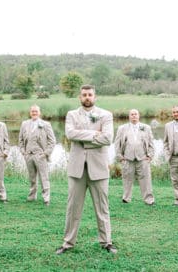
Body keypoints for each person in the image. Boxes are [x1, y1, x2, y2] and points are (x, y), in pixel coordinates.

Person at [56, 84, 117, 255]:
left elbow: (108, 138)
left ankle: (106, 242)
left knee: (102, 207)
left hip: (98, 167)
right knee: (72, 208)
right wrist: (94, 135)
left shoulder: (106, 115)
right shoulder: (71, 115)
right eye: (84, 95)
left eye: (90, 94)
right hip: (77, 169)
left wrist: (82, 135)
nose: (87, 97)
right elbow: (70, 134)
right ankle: (68, 243)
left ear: (95, 97)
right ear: (79, 97)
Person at [114, 109, 155, 205]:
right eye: (132, 114)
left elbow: (151, 143)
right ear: (129, 116)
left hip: (143, 158)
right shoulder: (122, 128)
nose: (134, 116)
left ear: (139, 116)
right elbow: (117, 144)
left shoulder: (146, 127)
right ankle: (126, 198)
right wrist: (120, 156)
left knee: (146, 179)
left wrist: (150, 155)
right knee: (127, 178)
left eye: (135, 114)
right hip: (127, 158)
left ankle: (149, 200)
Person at [19, 105, 56, 206]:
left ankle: (46, 198)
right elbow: (21, 141)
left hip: (40, 155)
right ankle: (32, 196)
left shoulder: (45, 124)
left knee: (44, 177)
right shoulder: (24, 124)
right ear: (30, 112)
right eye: (32, 111)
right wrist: (23, 151)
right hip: (28, 155)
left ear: (39, 113)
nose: (34, 113)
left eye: (36, 111)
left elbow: (52, 141)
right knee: (32, 177)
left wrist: (46, 153)